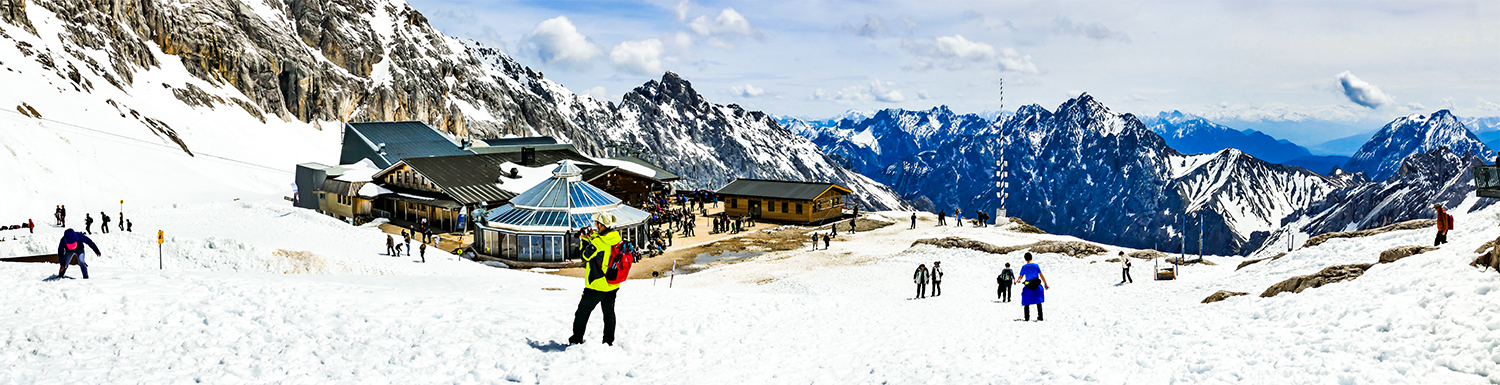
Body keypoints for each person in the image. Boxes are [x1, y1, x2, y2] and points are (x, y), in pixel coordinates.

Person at [570, 213, 623, 346]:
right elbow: (600, 244)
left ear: (601, 225)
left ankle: (576, 340)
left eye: (596, 223)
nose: (595, 225)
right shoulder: (615, 237)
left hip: (597, 284)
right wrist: (591, 236)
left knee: (582, 312)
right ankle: (608, 342)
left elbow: (584, 256)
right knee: (609, 313)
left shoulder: (599, 242)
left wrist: (583, 239)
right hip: (612, 283)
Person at [1018, 253, 1049, 321]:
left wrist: (1018, 280)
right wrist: (1045, 283)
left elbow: (1021, 276)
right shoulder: (1036, 266)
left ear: (1025, 259)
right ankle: (1040, 317)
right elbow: (1041, 275)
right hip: (1036, 285)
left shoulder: (1024, 267)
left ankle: (1027, 317)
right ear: (1031, 258)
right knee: (1038, 301)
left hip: (1028, 285)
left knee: (1026, 301)